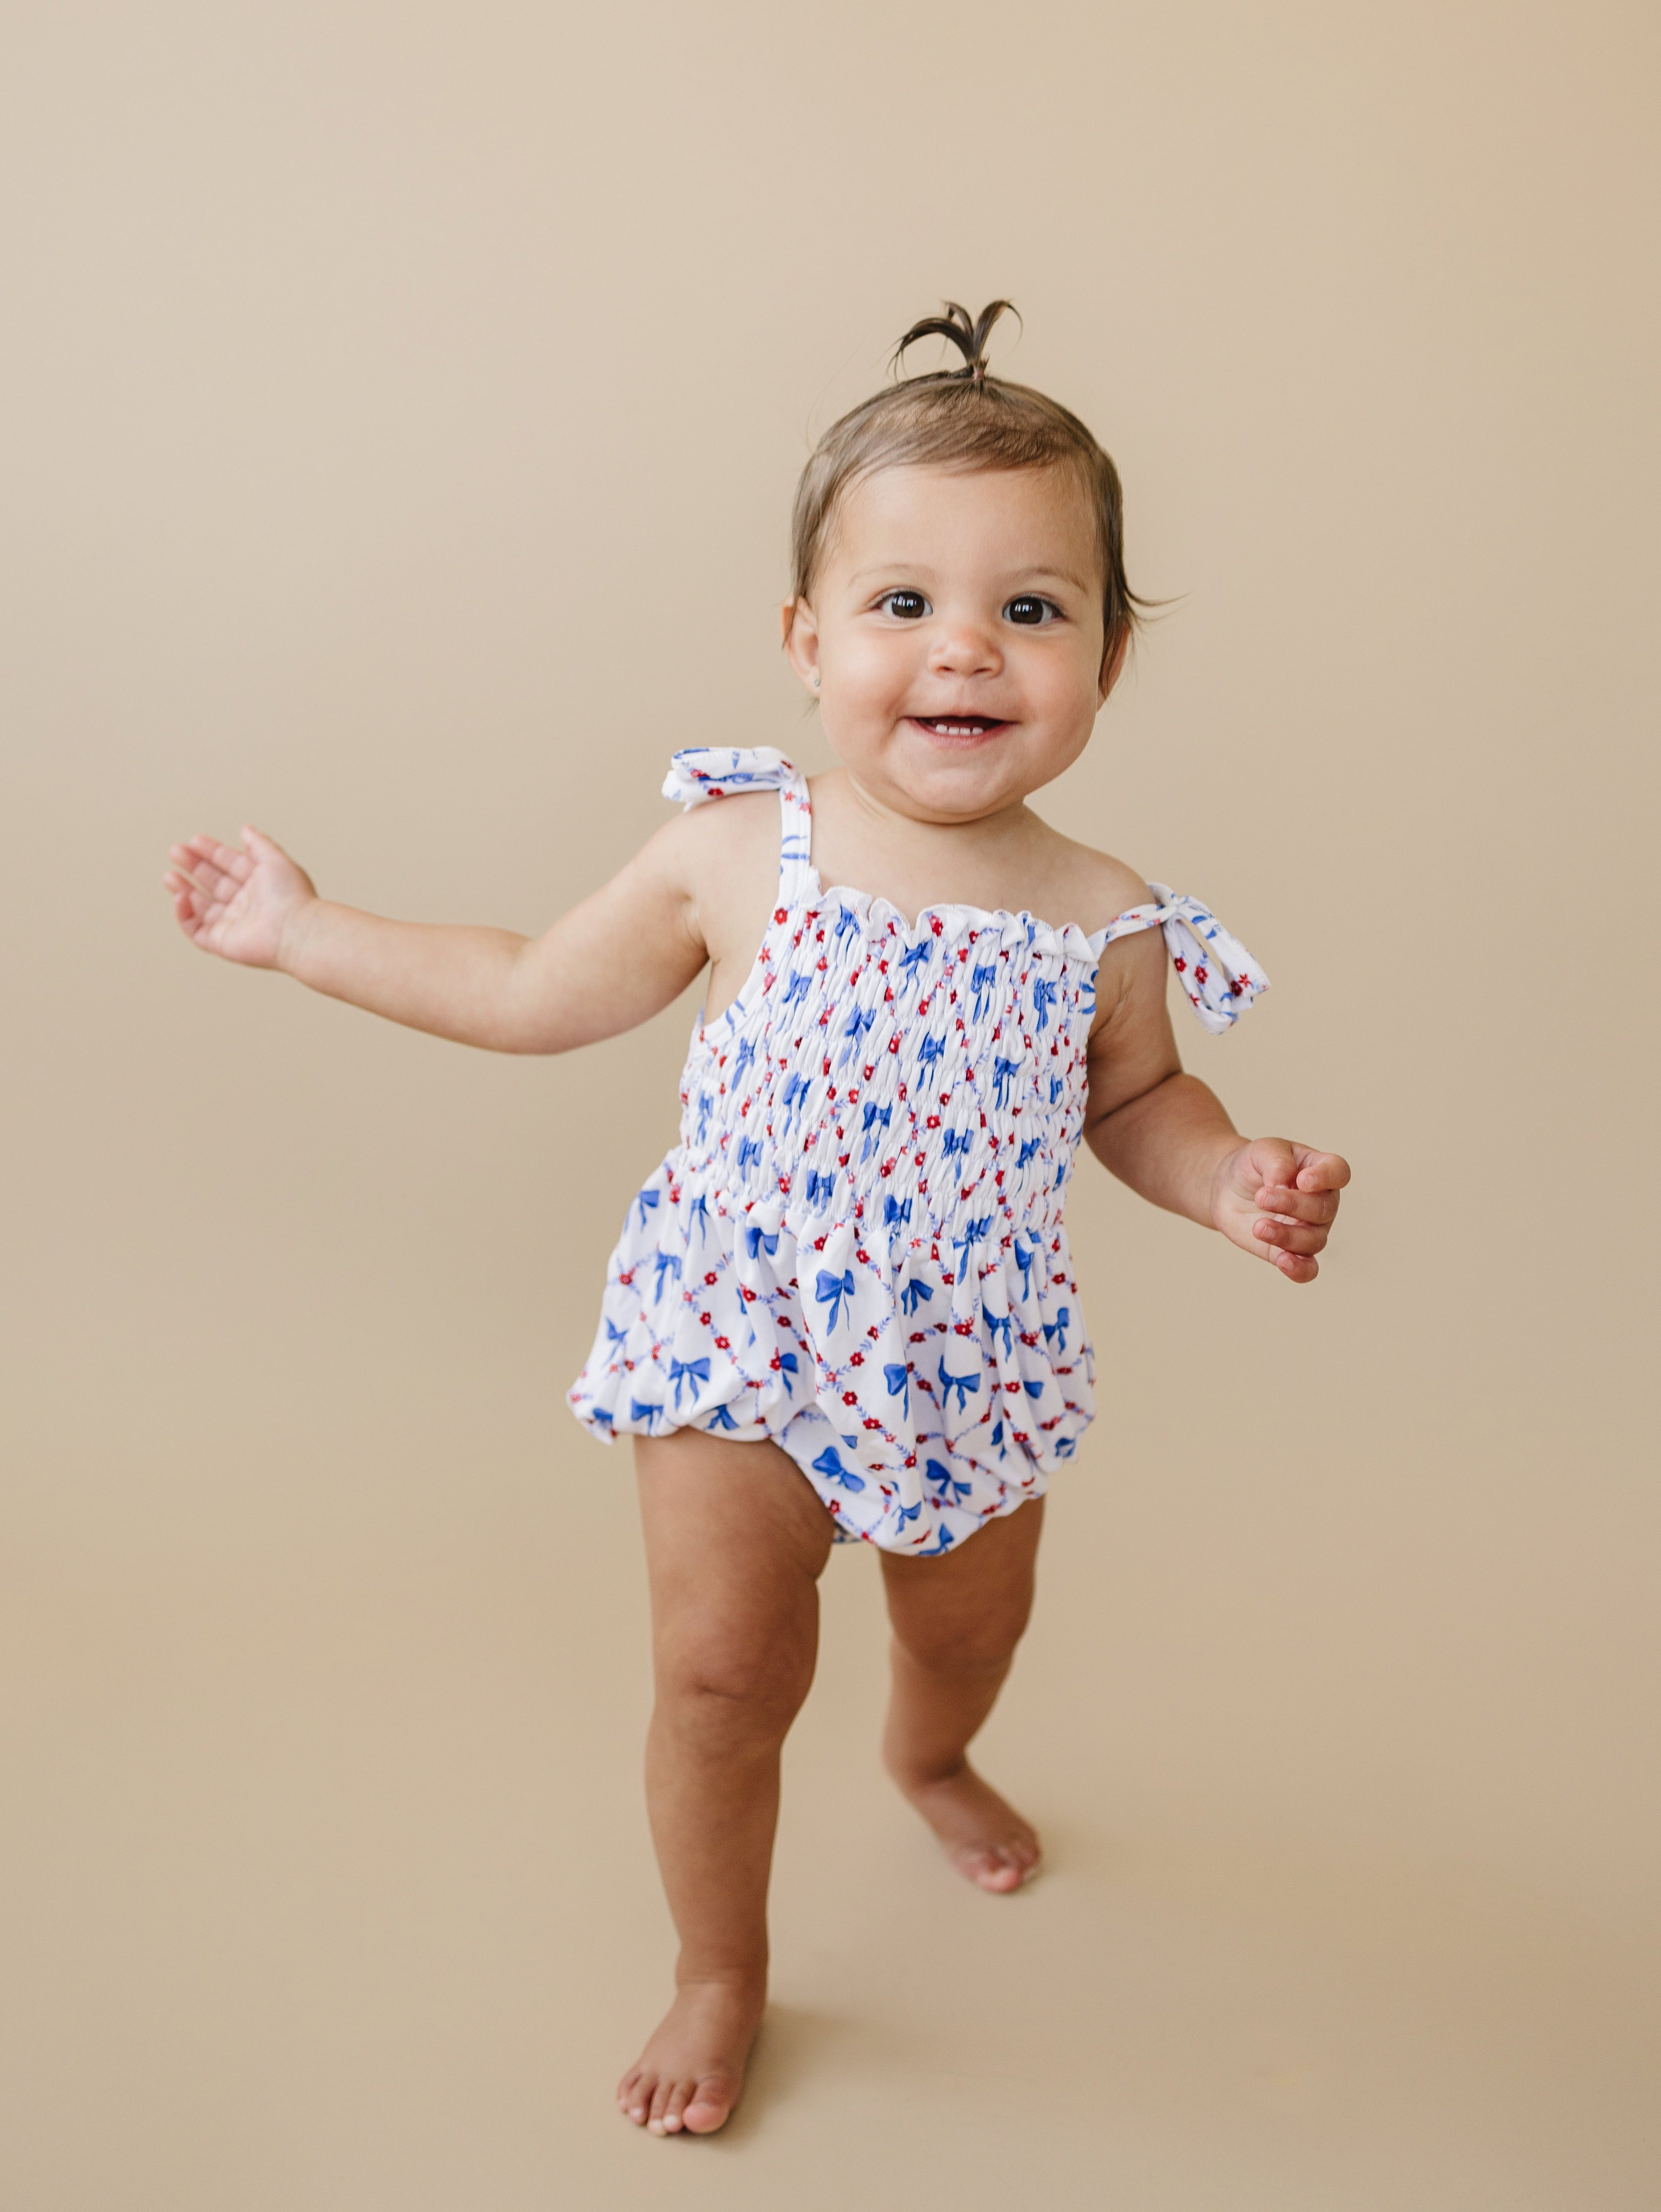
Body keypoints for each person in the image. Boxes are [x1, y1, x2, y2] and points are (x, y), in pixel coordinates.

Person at [164, 301, 1350, 2140]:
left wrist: (1230, 1179)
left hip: (970, 1350)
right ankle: (722, 1963)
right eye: (902, 606)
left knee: (970, 1624)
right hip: (740, 1328)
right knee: (723, 1671)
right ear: (808, 644)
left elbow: (1134, 1104)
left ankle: (932, 1748)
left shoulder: (1102, 913)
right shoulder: (740, 848)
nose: (964, 647)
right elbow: (528, 984)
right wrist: (305, 929)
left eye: (1032, 609)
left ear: (1107, 657)